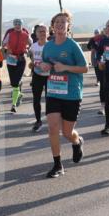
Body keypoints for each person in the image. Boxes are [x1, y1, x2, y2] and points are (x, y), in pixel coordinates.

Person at [41, 11, 88, 178]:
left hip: (72, 93)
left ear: (68, 26)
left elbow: (85, 68)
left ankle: (77, 142)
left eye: (63, 22)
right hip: (54, 92)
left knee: (67, 133)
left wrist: (66, 67)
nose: (60, 24)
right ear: (52, 26)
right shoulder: (48, 46)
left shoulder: (72, 45)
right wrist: (45, 66)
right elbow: (44, 64)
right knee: (53, 127)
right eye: (57, 22)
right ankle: (57, 164)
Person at [2, 19, 31, 113]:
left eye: (19, 24)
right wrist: (6, 49)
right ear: (14, 25)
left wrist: (27, 49)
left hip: (21, 59)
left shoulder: (26, 34)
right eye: (16, 24)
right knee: (13, 82)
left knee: (15, 83)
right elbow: (3, 44)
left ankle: (13, 105)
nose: (17, 25)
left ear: (22, 25)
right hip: (11, 59)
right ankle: (19, 91)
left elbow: (31, 43)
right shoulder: (10, 33)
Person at [29, 24, 49, 132]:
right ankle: (38, 121)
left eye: (44, 31)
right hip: (37, 75)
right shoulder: (33, 46)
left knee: (49, 99)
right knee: (36, 99)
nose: (42, 33)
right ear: (36, 34)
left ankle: (51, 119)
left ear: (47, 33)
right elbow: (32, 59)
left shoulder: (51, 45)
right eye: (39, 31)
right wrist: (33, 64)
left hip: (49, 75)